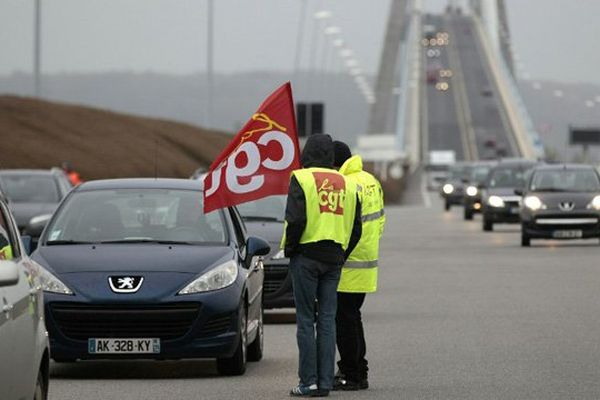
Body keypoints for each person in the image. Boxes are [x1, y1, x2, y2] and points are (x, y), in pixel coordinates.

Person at [283, 134, 362, 397]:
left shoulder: (301, 178)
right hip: (333, 259)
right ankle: (326, 383)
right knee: (327, 321)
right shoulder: (347, 184)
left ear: (307, 153)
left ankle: (308, 383)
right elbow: (356, 227)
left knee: (306, 321)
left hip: (306, 257)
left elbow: (294, 220)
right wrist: (342, 253)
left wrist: (291, 250)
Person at [332, 141, 385, 391]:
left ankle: (352, 375)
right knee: (353, 317)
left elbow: (343, 227)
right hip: (366, 261)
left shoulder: (346, 184)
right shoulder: (370, 180)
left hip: (348, 263)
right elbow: (380, 221)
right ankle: (358, 370)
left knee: (344, 320)